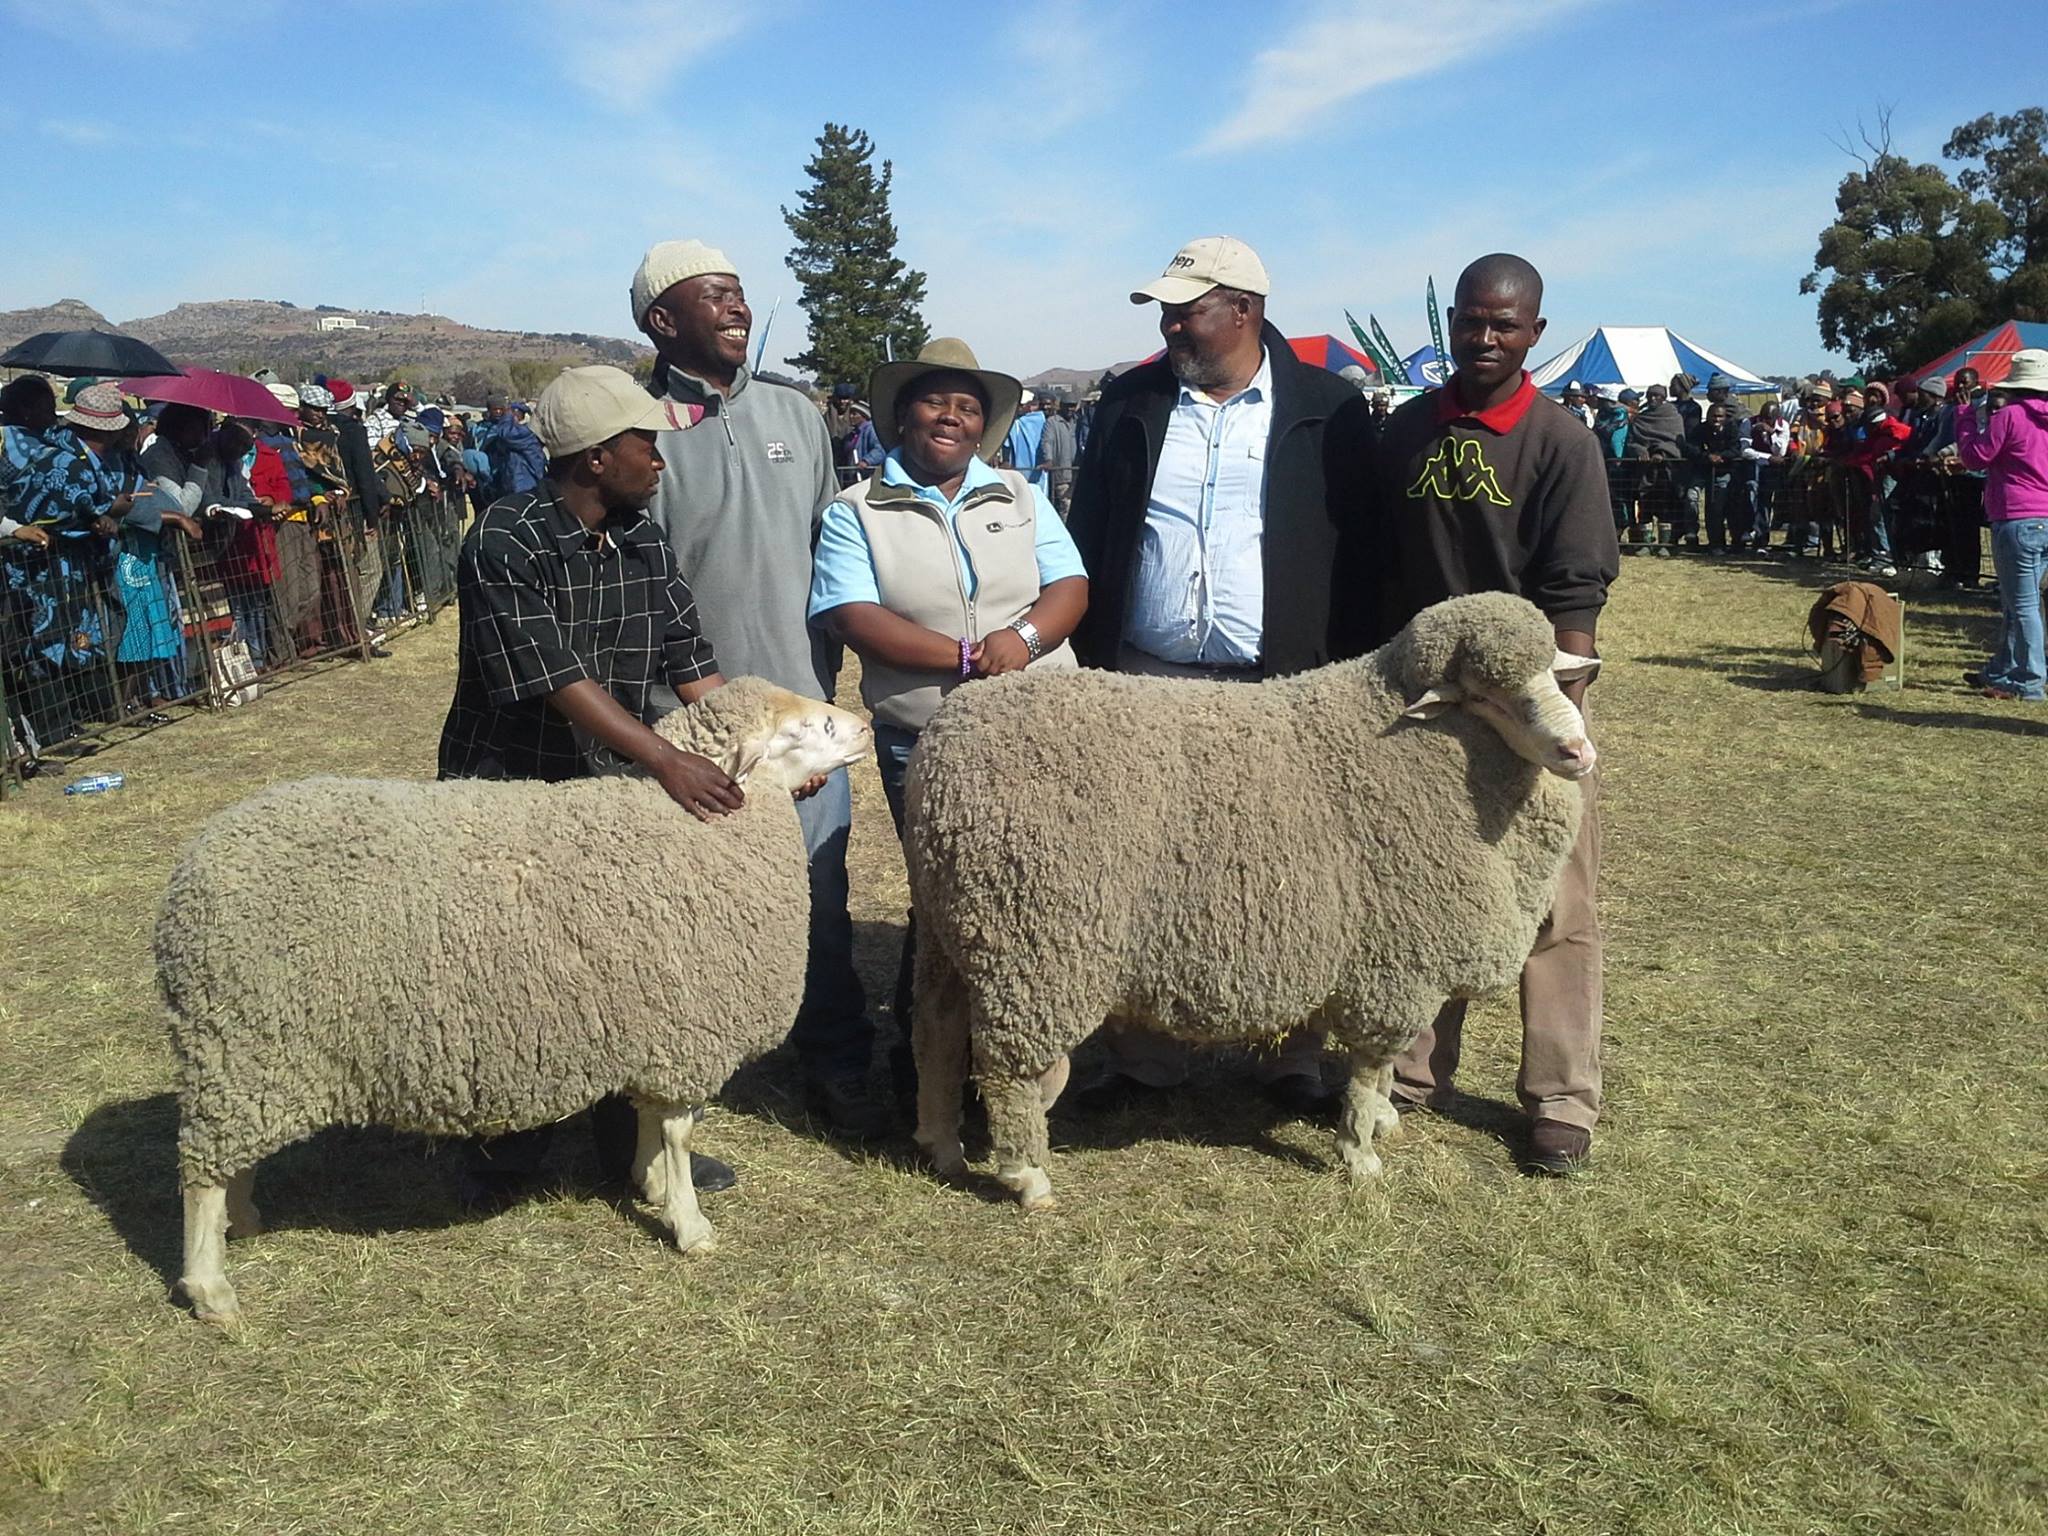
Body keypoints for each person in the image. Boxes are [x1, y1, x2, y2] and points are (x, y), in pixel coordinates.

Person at [1067, 234, 1373, 1110]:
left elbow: (1360, 550)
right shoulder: (1130, 402)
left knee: (1295, 863)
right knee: (1143, 860)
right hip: (1148, 679)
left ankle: (1291, 1051)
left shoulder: (1329, 408)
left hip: (1283, 686)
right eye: (1165, 309)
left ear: (1243, 309)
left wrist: (1341, 675)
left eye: (1186, 308)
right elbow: (1093, 530)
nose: (1169, 323)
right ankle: (1144, 1056)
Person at [1337, 251, 1619, 1175]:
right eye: (1471, 320)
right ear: (1450, 324)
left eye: (1505, 324)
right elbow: (1379, 562)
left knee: (1553, 897)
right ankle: (1413, 1070)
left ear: (1535, 333)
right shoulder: (1409, 429)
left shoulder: (1560, 442)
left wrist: (1553, 718)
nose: (1486, 337)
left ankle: (1560, 1099)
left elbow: (1575, 590)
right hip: (1425, 703)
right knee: (1420, 889)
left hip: (1527, 701)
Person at [439, 363, 742, 1199]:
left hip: (610, 785)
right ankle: (509, 1145)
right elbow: (556, 679)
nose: (661, 460)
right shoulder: (504, 539)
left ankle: (632, 1147)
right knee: (516, 967)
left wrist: (754, 750)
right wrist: (669, 760)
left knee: (624, 963)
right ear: (597, 458)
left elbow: (691, 664)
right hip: (509, 787)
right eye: (647, 443)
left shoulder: (644, 538)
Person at [631, 236, 887, 1139]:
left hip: (802, 714)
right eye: (716, 296)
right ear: (665, 321)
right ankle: (680, 1076)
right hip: (687, 726)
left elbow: (835, 554)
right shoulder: (639, 430)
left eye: (741, 294)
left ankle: (837, 1062)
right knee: (686, 905)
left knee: (819, 894)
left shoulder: (800, 415)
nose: (739, 308)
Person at [808, 337, 1089, 1104]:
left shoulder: (1021, 497)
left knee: (1037, 888)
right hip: (925, 735)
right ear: (903, 415)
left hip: (1040, 728)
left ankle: (1026, 1056)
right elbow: (850, 612)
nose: (952, 417)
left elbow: (1069, 585)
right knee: (943, 898)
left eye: (968, 407)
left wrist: (1023, 640)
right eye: (936, 401)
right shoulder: (857, 509)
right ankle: (928, 1063)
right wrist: (965, 658)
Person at [1956, 349, 2048, 702]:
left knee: (2021, 605)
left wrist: (1964, 418)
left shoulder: (2009, 416)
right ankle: (2003, 668)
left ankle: (2029, 681)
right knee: (2019, 601)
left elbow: (1974, 456)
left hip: (2017, 518)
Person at [1036, 398, 1079, 513]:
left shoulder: (1077, 421)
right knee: (1066, 506)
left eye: (1073, 406)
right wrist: (1049, 459)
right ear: (1061, 406)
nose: (1071, 409)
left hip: (1076, 473)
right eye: (1068, 405)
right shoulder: (1052, 422)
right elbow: (1047, 441)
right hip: (1062, 473)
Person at [1002, 390, 1047, 487]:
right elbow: (1007, 445)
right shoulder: (1013, 423)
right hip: (1019, 466)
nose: (1019, 408)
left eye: (1022, 405)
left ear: (1029, 406)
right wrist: (1006, 461)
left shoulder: (1040, 419)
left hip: (1037, 466)